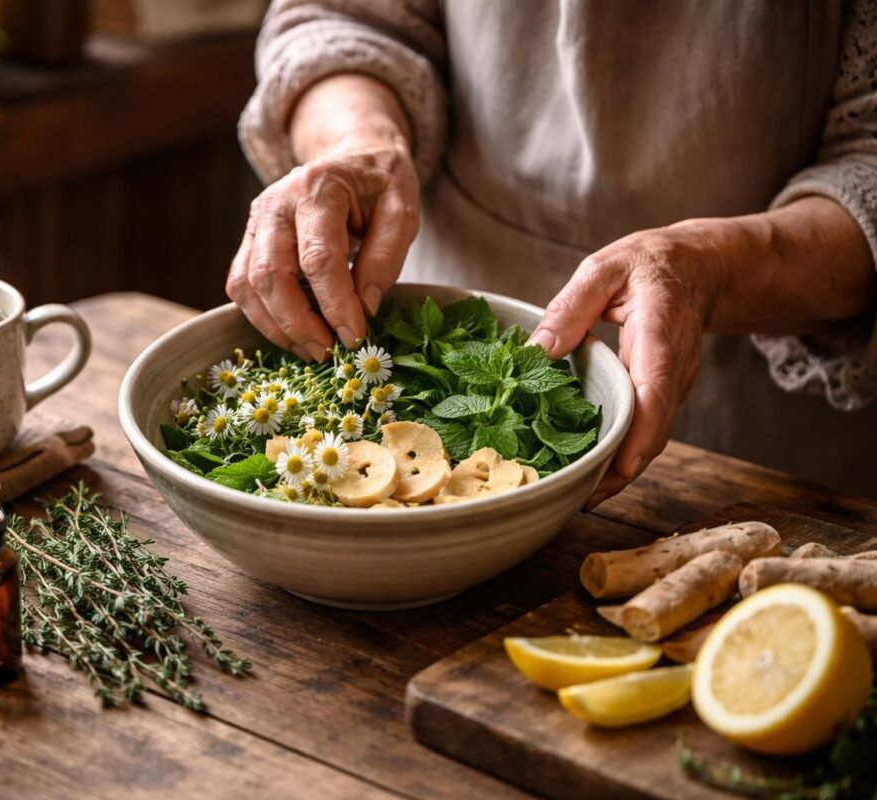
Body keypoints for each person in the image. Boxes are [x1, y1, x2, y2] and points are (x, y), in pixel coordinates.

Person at [228, 0, 877, 501]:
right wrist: (356, 141)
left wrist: (706, 266)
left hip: (759, 440)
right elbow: (341, 17)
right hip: (435, 335)